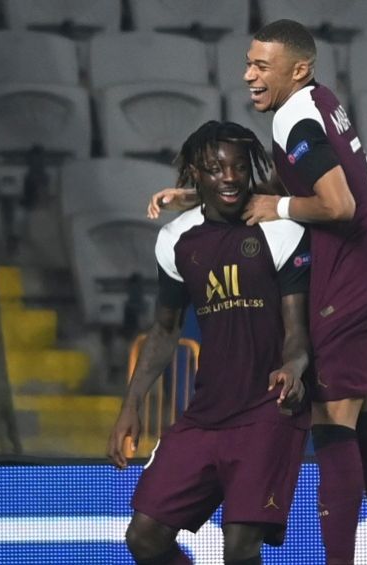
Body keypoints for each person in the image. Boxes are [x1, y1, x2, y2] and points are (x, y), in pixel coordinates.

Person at [147, 20, 367, 565]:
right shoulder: (318, 102)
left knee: (332, 423)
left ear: (297, 69)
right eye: (248, 62)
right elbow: (303, 185)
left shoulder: (292, 117)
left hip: (356, 277)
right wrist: (198, 194)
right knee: (360, 420)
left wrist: (273, 208)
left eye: (260, 65)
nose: (248, 74)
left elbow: (337, 204)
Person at [108, 120, 313, 565]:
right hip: (206, 413)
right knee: (144, 538)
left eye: (239, 167)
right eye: (216, 168)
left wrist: (294, 368)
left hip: (268, 410)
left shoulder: (281, 229)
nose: (230, 176)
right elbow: (165, 330)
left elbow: (298, 331)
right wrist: (131, 405)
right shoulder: (174, 240)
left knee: (239, 552)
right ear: (195, 174)